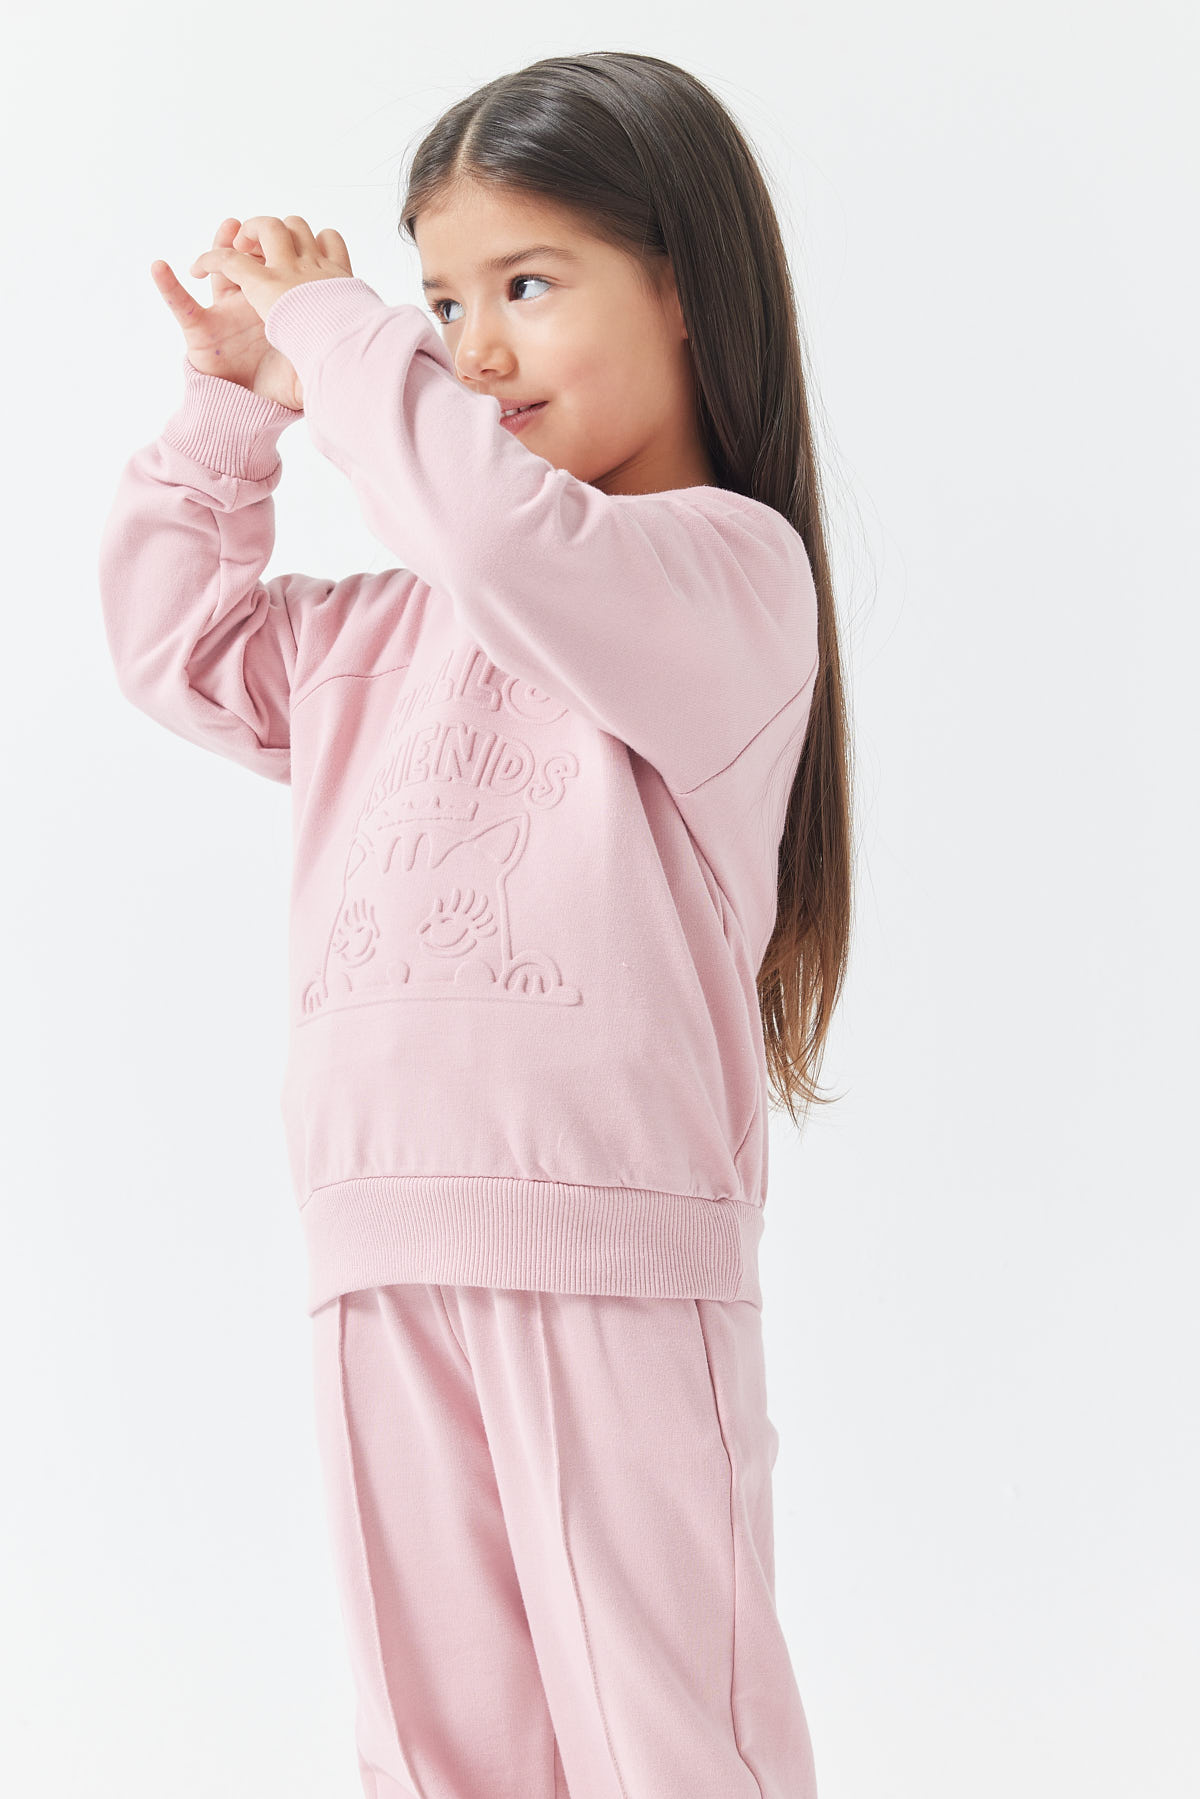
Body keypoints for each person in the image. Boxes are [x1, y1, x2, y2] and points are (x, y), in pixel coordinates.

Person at [97, 48, 853, 1799]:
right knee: (444, 1753)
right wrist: (234, 410)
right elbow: (176, 651)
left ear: (685, 287)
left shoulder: (725, 574)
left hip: (609, 1242)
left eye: (527, 285)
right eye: (444, 300)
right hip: (378, 1230)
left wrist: (344, 332)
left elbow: (508, 545)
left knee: (668, 1734)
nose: (475, 349)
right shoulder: (389, 627)